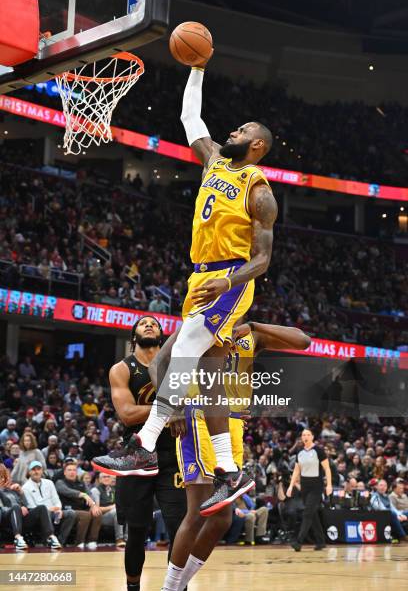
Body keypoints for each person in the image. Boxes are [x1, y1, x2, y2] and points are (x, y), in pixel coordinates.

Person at [93, 51, 278, 518]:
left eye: (242, 133)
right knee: (210, 382)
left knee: (178, 353)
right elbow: (189, 115)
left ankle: (144, 443)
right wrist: (198, 66)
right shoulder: (214, 161)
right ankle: (232, 471)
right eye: (233, 131)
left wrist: (227, 283)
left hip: (231, 278)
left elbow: (263, 259)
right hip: (200, 277)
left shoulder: (260, 191)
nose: (231, 134)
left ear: (257, 146)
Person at [160, 321, 310, 591]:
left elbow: (303, 341)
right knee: (197, 513)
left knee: (222, 519)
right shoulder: (199, 320)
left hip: (233, 423)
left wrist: (253, 325)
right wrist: (173, 408)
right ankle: (169, 588)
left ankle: (177, 586)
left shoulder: (251, 333)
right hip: (200, 416)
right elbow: (161, 362)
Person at [93, 317, 187, 591]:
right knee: (135, 532)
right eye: (143, 323)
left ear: (162, 334)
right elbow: (127, 414)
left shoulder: (176, 366)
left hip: (174, 455)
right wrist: (171, 409)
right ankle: (133, 587)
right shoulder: (121, 369)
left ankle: (176, 588)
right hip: (136, 457)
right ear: (133, 333)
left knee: (180, 531)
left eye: (154, 324)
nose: (148, 325)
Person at [287, 428, 333, 552]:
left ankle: (298, 541)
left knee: (307, 513)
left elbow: (327, 469)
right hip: (304, 486)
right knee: (313, 514)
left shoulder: (319, 451)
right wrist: (291, 486)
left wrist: (329, 485)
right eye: (303, 435)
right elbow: (296, 471)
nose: (305, 436)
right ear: (301, 438)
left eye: (308, 434)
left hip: (316, 486)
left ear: (312, 437)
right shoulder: (300, 453)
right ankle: (321, 541)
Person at [0, 463, 60, 550]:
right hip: (7, 520)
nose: (2, 479)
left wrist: (21, 493)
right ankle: (18, 538)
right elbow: (2, 509)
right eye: (0, 476)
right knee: (16, 507)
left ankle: (50, 537)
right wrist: (18, 508)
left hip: (20, 518)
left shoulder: (12, 490)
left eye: (3, 476)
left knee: (42, 508)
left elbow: (26, 505)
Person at [22, 460, 76, 546]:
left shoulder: (49, 483)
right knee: (44, 510)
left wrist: (58, 509)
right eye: (33, 469)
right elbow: (32, 507)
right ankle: (48, 539)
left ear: (42, 471)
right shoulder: (25, 487)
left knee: (71, 513)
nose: (36, 471)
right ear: (29, 472)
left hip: (54, 511)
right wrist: (49, 510)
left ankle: (60, 541)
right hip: (40, 514)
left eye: (38, 469)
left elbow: (56, 499)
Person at [55, 461, 102, 549]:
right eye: (69, 470)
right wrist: (82, 494)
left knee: (97, 513)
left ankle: (92, 541)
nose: (72, 472)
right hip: (66, 510)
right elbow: (67, 492)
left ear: (76, 472)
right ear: (65, 472)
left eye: (74, 470)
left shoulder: (82, 483)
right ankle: (79, 542)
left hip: (81, 510)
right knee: (85, 515)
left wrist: (94, 506)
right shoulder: (60, 482)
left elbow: (90, 495)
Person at [91, 473, 126, 548]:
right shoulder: (95, 490)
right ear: (100, 479)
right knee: (117, 512)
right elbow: (97, 509)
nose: (106, 478)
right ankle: (119, 539)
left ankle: (128, 538)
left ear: (111, 479)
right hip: (100, 517)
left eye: (108, 477)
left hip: (113, 515)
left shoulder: (113, 489)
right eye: (104, 477)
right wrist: (112, 507)